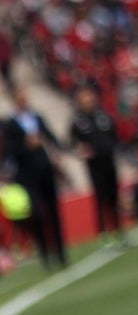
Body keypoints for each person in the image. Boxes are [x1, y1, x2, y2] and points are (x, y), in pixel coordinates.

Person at [1, 93, 64, 271]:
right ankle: (45, 254)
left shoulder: (37, 117)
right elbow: (10, 151)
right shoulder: (10, 125)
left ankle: (60, 253)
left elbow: (50, 136)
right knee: (36, 214)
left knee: (53, 212)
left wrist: (57, 152)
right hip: (27, 176)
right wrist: (25, 145)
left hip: (45, 170)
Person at [67, 85, 120, 246]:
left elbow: (113, 134)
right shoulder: (78, 121)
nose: (89, 99)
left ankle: (118, 230)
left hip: (109, 159)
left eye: (90, 95)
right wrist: (82, 151)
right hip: (95, 165)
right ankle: (103, 233)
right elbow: (72, 143)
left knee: (113, 195)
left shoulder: (102, 115)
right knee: (100, 198)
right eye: (85, 96)